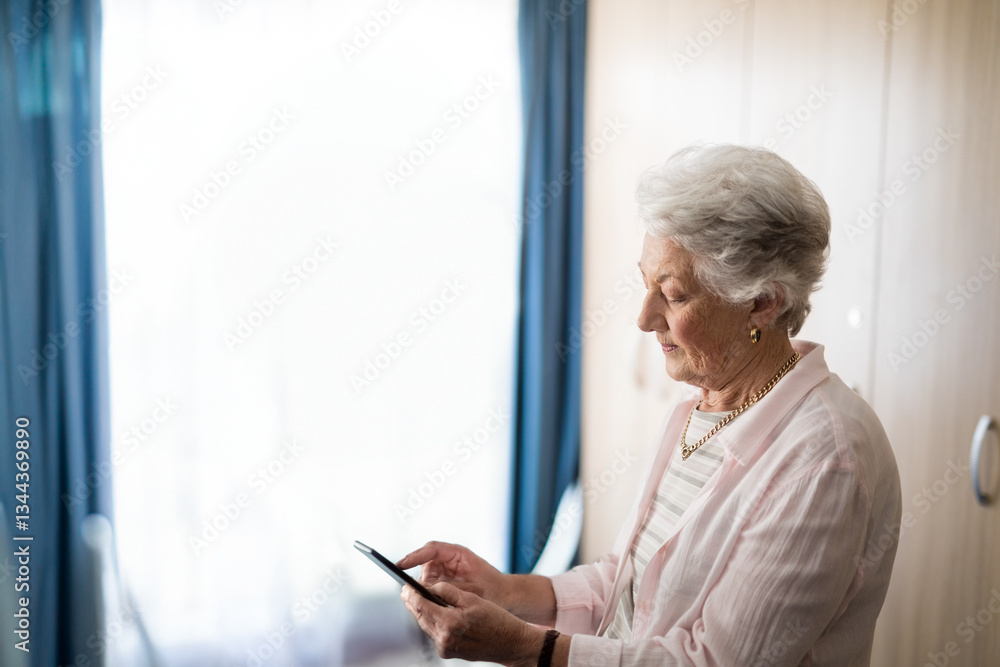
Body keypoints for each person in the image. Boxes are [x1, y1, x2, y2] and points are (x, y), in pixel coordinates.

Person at [397, 144, 902, 666]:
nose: (643, 318)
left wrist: (519, 645)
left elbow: (711, 662)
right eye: (645, 284)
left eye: (674, 294)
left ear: (762, 302)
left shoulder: (824, 460)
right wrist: (505, 591)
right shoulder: (698, 410)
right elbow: (628, 583)